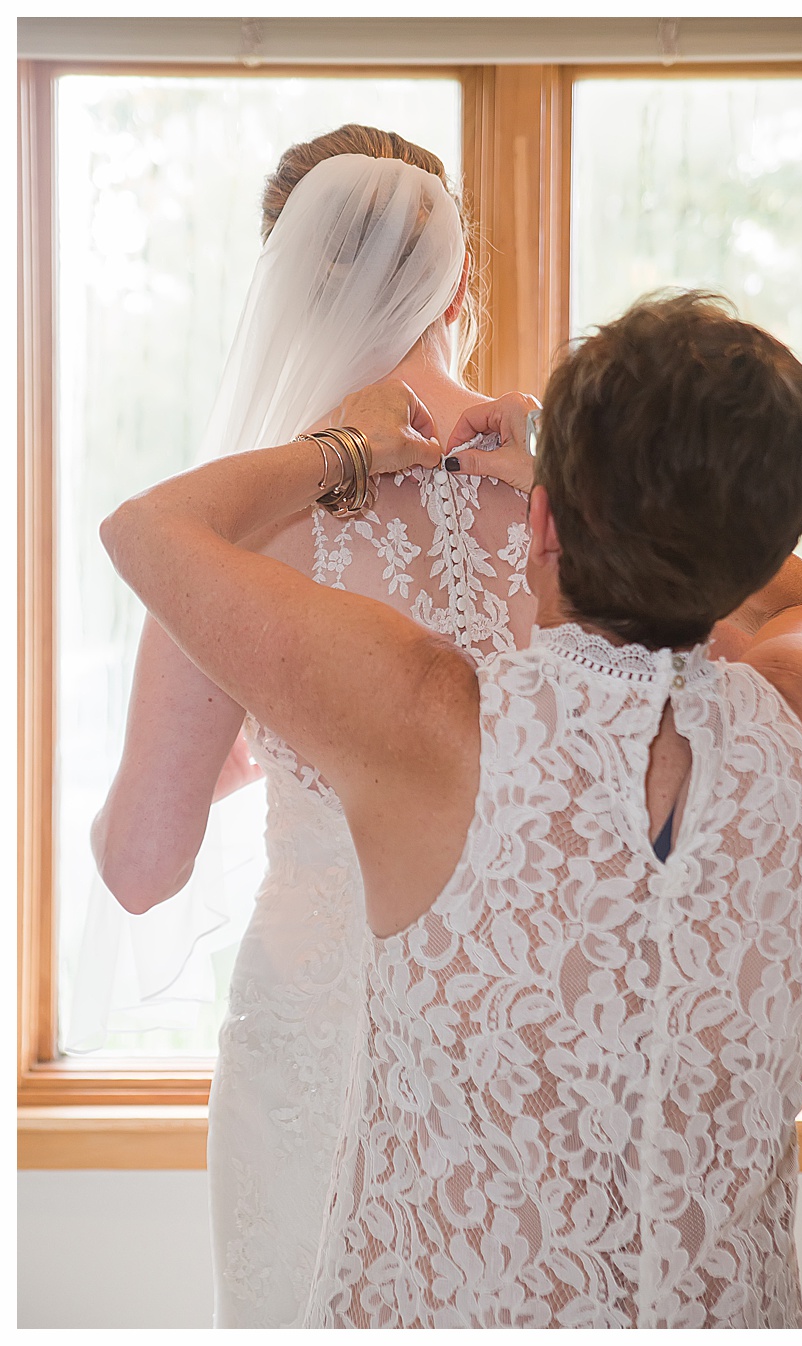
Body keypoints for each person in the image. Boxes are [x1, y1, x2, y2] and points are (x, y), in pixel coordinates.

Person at [100, 290, 802, 1326]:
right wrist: (589, 476)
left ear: (542, 520)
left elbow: (149, 528)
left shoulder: (432, 722)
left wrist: (342, 452)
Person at [86, 125, 547, 1327]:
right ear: (460, 281)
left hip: (317, 1026)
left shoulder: (229, 537)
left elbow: (141, 864)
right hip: (529, 1021)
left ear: (283, 283)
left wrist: (276, 746)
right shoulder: (566, 508)